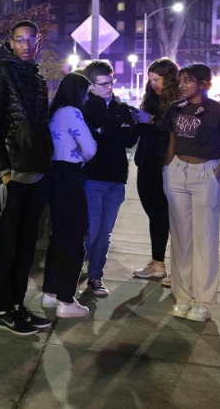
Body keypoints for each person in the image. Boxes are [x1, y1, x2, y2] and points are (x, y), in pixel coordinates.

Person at [0, 20, 56, 335]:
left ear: (39, 41)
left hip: (35, 175)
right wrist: (3, 172)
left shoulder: (37, 78)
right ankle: (4, 310)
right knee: (6, 248)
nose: (24, 45)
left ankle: (18, 306)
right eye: (19, 40)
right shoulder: (1, 74)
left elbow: (42, 124)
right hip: (11, 177)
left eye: (29, 40)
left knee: (25, 249)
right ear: (11, 42)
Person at [161, 64, 220, 322]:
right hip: (176, 173)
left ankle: (203, 301)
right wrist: (168, 165)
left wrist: (216, 173)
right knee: (180, 239)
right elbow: (171, 137)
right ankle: (183, 297)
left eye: (188, 80)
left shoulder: (219, 111)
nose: (183, 85)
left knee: (204, 238)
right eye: (181, 80)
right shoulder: (175, 108)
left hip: (205, 173)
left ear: (204, 83)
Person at [81, 61, 139, 297]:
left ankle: (95, 277)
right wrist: (116, 129)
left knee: (105, 232)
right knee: (92, 231)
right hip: (93, 178)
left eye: (111, 82)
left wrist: (109, 130)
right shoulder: (86, 108)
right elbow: (93, 141)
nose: (109, 87)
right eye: (104, 84)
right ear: (91, 86)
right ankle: (72, 269)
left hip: (117, 179)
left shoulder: (121, 108)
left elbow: (129, 139)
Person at [41, 72, 97, 318]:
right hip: (70, 177)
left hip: (54, 176)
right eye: (86, 93)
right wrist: (81, 160)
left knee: (59, 236)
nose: (87, 98)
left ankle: (50, 292)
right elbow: (90, 148)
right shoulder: (72, 113)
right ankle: (67, 298)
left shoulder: (53, 112)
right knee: (75, 237)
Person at [132, 58, 181, 283]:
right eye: (150, 80)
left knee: (171, 217)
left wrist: (152, 120)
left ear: (169, 79)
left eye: (157, 80)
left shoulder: (179, 102)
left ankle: (179, 270)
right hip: (146, 163)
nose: (153, 84)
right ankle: (157, 263)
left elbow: (176, 131)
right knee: (155, 215)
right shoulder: (151, 100)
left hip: (166, 166)